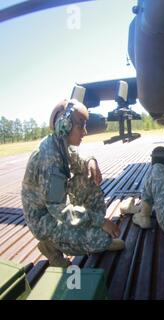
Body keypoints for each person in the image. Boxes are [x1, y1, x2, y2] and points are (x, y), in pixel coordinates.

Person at [21, 99, 125, 267]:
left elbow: (77, 158)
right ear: (64, 125)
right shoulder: (49, 159)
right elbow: (60, 210)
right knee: (101, 239)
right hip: (45, 220)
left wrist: (91, 161)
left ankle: (97, 235)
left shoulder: (60, 144)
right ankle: (51, 245)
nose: (84, 132)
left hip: (53, 209)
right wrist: (100, 221)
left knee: (86, 176)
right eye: (80, 126)